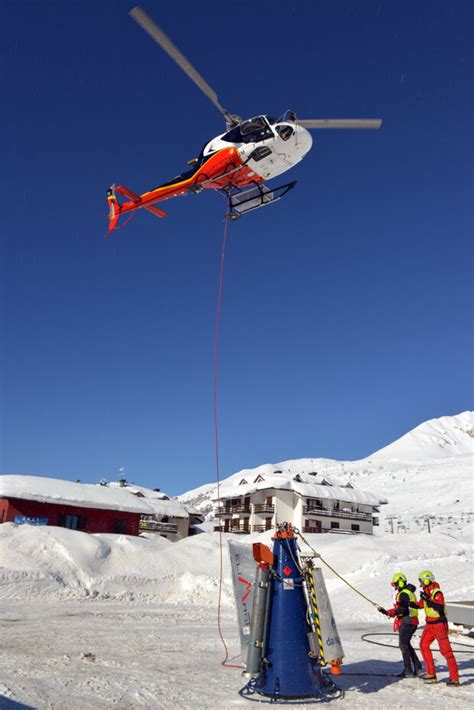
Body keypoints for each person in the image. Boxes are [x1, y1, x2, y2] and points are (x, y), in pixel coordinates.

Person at [414, 570, 460, 686]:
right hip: (430, 624)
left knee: (446, 652)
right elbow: (419, 605)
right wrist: (407, 603)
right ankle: (431, 674)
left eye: (422, 581)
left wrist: (428, 599)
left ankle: (454, 678)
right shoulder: (426, 592)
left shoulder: (437, 592)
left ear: (427, 580)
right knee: (423, 645)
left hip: (439, 624)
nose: (421, 584)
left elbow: (439, 606)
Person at [377, 572, 422, 678]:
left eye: (396, 584)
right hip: (411, 621)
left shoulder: (403, 594)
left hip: (408, 621)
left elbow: (402, 609)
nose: (395, 587)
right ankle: (418, 666)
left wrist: (388, 612)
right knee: (406, 643)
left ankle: (408, 670)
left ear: (400, 583)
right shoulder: (407, 592)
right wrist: (388, 612)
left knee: (403, 644)